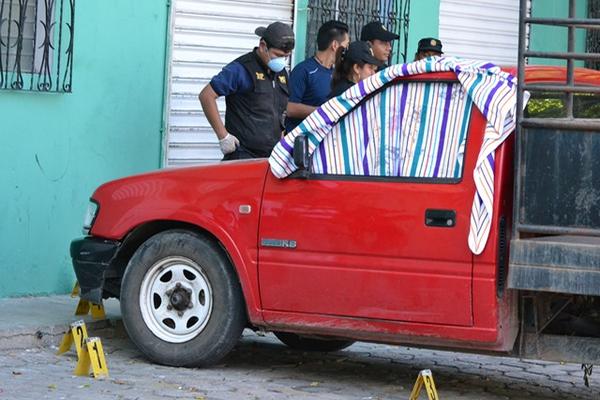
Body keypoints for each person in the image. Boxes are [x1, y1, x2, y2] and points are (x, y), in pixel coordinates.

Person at [198, 22, 294, 160]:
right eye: (277, 55)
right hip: (243, 155)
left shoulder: (281, 73)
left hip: (271, 157)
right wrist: (223, 136)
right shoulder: (241, 69)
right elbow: (206, 96)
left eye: (285, 57)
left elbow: (279, 112)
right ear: (263, 46)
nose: (281, 61)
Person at [285, 20, 349, 132]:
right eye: (345, 47)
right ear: (335, 45)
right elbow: (290, 108)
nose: (346, 52)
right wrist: (323, 111)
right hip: (302, 142)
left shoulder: (337, 73)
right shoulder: (303, 70)